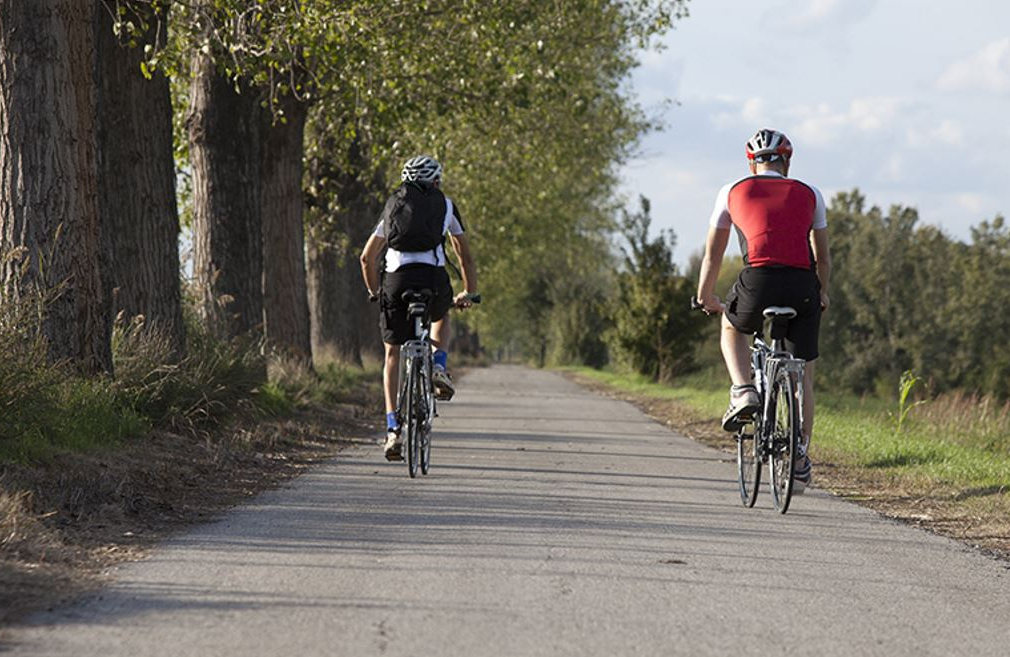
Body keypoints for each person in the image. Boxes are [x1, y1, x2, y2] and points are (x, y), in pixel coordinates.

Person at [695, 128, 831, 490]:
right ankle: (799, 459)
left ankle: (743, 391)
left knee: (730, 324)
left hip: (757, 282)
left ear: (751, 163)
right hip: (803, 286)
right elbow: (823, 258)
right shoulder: (810, 193)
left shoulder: (731, 191)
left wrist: (705, 296)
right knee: (804, 375)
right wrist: (823, 293)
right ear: (787, 160)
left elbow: (713, 254)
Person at [359, 155, 479, 461]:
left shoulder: (392, 207)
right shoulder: (446, 205)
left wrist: (375, 292)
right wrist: (470, 291)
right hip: (433, 280)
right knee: (442, 314)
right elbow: (463, 253)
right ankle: (438, 366)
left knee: (391, 354)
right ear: (436, 181)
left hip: (395, 283)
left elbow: (366, 257)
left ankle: (391, 430)